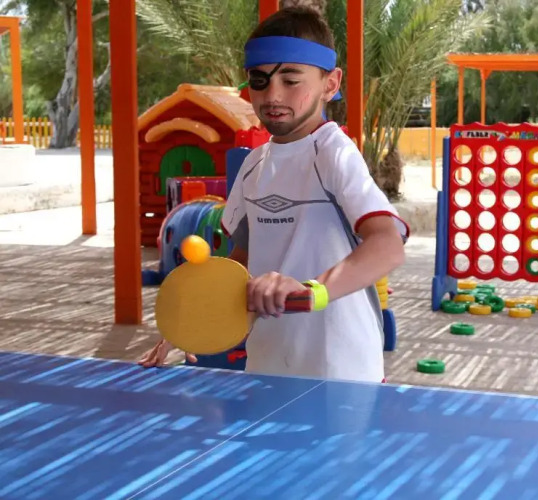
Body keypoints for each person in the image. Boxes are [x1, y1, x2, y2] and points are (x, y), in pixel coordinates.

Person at [139, 7, 409, 383]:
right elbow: (241, 263)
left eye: (291, 80)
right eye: (259, 81)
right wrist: (193, 320)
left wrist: (312, 291)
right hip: (267, 366)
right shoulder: (253, 165)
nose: (273, 95)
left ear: (330, 83)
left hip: (342, 373)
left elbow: (388, 244)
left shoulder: (333, 153)